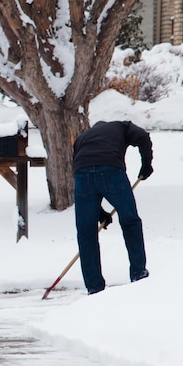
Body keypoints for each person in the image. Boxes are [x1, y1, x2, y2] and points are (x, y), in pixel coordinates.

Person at [72, 120, 153, 294]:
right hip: (111, 170)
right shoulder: (122, 126)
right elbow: (143, 136)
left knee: (86, 233)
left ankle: (94, 287)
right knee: (130, 220)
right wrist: (147, 163)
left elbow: (84, 173)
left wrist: (98, 213)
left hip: (82, 175)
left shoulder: (81, 138)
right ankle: (138, 273)